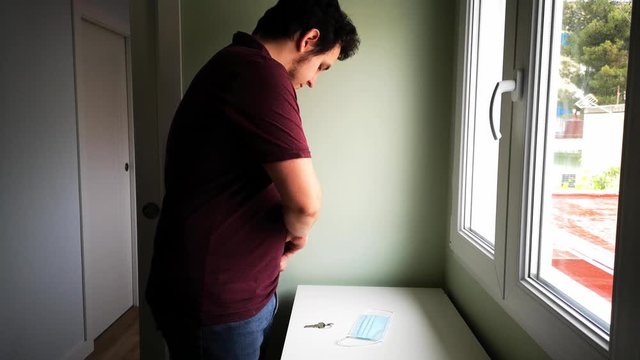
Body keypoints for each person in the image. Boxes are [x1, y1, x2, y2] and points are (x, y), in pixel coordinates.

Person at [145, 0, 360, 359]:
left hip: (231, 293)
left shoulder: (238, 66)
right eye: (321, 67)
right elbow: (306, 203)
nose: (313, 82)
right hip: (217, 303)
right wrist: (297, 238)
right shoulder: (258, 73)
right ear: (309, 39)